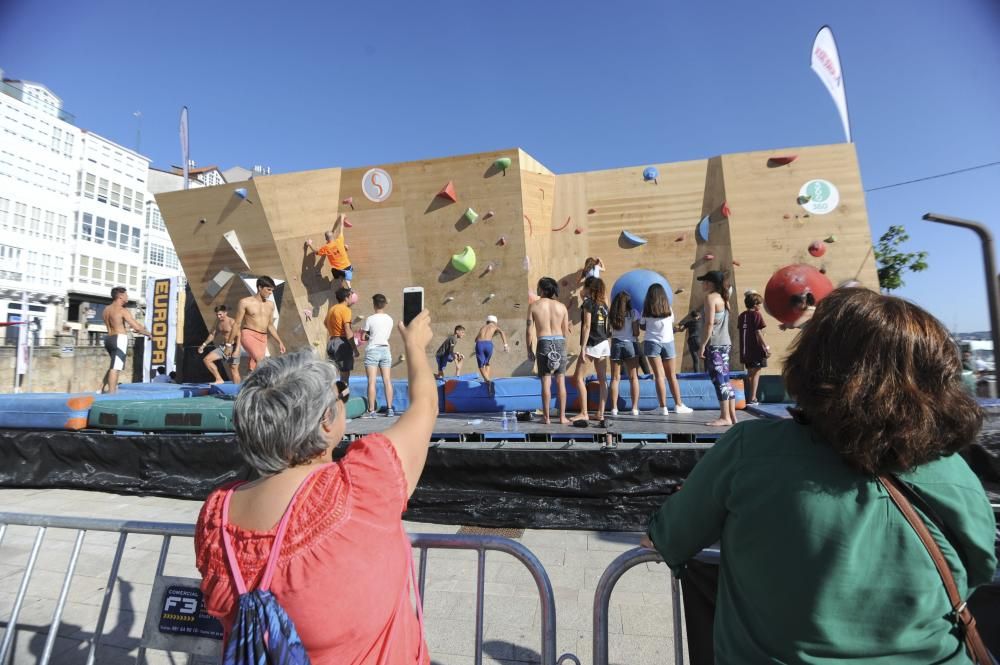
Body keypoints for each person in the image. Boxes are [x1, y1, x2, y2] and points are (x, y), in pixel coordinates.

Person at [642, 288, 997, 664]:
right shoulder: (955, 474)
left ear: (814, 362)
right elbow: (976, 573)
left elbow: (667, 537)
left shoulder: (751, 450)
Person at [195, 310, 438, 664]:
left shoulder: (216, 514)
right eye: (339, 391)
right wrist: (415, 346)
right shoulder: (362, 482)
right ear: (325, 422)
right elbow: (425, 406)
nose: (343, 396)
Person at [640, 283, 694, 417]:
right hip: (668, 343)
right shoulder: (668, 309)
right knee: (672, 376)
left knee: (659, 376)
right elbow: (671, 324)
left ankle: (662, 407)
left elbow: (642, 326)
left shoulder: (646, 310)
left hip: (652, 343)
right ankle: (678, 405)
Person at [526, 277, 571, 425]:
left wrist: (529, 349)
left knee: (546, 381)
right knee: (561, 381)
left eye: (538, 287)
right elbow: (565, 332)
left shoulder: (534, 306)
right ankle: (562, 417)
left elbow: (528, 331)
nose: (537, 290)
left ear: (543, 289)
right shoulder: (562, 307)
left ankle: (546, 418)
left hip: (544, 342)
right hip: (560, 341)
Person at [570, 277, 611, 422]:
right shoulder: (604, 305)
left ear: (589, 288)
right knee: (602, 379)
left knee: (578, 378)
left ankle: (584, 413)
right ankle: (600, 413)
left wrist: (582, 347)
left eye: (586, 287)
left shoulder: (588, 303)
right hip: (604, 342)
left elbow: (586, 326)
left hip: (592, 343)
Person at [698, 271, 735, 426]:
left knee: (719, 380)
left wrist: (703, 345)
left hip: (715, 344)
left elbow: (709, 324)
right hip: (725, 343)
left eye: (704, 281)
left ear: (710, 283)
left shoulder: (711, 298)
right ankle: (732, 417)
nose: (702, 284)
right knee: (725, 379)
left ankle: (724, 417)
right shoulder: (724, 298)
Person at [228, 276, 286, 373]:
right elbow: (237, 324)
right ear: (259, 288)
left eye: (272, 290)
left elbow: (270, 325)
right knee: (261, 361)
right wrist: (228, 344)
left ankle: (248, 386)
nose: (270, 292)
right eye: (268, 289)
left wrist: (279, 341)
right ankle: (267, 385)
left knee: (254, 365)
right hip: (248, 335)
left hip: (263, 337)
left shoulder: (271, 305)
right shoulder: (245, 302)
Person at [100, 286, 151, 394]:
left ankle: (100, 389)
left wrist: (127, 328)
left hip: (108, 339)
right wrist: (149, 334)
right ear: (120, 296)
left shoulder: (106, 309)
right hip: (119, 339)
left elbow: (115, 323)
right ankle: (112, 394)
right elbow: (136, 327)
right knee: (115, 366)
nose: (128, 297)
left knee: (114, 364)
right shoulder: (122, 310)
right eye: (126, 295)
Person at [608, 290, 641, 416]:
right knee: (633, 378)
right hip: (630, 345)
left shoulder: (612, 314)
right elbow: (636, 333)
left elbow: (609, 332)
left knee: (615, 378)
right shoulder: (634, 313)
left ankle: (614, 409)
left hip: (616, 344)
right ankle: (634, 408)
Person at [362, 293, 395, 418]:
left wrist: (366, 335)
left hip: (373, 349)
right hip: (385, 349)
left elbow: (364, 336)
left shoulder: (370, 319)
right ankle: (390, 409)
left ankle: (371, 411)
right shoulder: (390, 319)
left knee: (371, 381)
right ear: (385, 304)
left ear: (374, 304)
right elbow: (386, 335)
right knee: (387, 380)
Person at [737, 290, 770, 405]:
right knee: (756, 373)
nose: (761, 306)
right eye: (760, 304)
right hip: (756, 349)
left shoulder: (742, 316)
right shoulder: (756, 315)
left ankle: (747, 397)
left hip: (745, 351)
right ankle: (753, 398)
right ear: (755, 305)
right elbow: (758, 332)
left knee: (750, 373)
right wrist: (766, 347)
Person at [306, 214, 353, 289]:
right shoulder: (340, 240)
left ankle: (340, 280)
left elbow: (316, 252)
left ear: (326, 239)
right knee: (344, 247)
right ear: (333, 237)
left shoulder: (326, 248)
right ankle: (347, 283)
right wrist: (342, 217)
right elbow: (341, 228)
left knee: (333, 270)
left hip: (340, 270)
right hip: (349, 267)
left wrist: (309, 244)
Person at [197, 305, 242, 384]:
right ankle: (219, 379)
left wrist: (237, 350)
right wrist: (203, 345)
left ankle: (238, 391)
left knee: (233, 369)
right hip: (223, 347)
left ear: (225, 313)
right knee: (207, 360)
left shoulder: (232, 322)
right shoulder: (218, 323)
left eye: (220, 314)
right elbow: (212, 335)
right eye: (217, 315)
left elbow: (239, 336)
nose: (218, 316)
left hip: (233, 347)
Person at [324, 287, 357, 384]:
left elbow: (325, 323)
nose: (352, 298)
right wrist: (354, 348)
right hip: (342, 343)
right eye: (351, 296)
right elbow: (347, 330)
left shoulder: (332, 309)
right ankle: (343, 398)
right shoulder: (346, 310)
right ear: (346, 298)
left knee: (331, 374)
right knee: (344, 377)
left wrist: (334, 332)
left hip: (331, 342)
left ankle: (329, 397)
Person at [474, 315, 509, 391]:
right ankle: (487, 379)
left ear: (487, 321)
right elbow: (502, 332)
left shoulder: (483, 327)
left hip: (479, 344)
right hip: (489, 345)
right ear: (495, 322)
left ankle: (487, 381)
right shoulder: (495, 327)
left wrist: (478, 344)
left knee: (480, 366)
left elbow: (476, 339)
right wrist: (505, 345)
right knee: (487, 363)